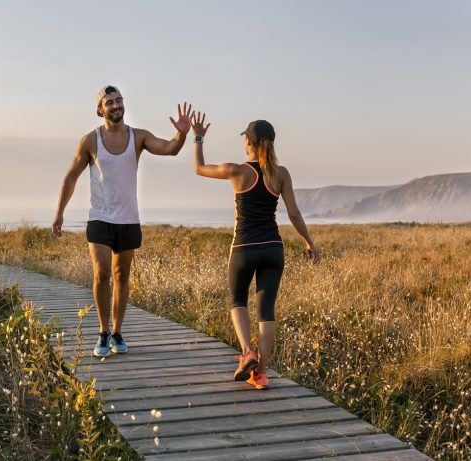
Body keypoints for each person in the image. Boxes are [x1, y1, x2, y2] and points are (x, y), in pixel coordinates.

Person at [52, 85, 193, 357]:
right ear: (100, 109)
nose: (116, 105)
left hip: (128, 218)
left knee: (121, 275)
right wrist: (59, 213)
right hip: (100, 217)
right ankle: (103, 333)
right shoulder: (89, 141)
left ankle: (117, 331)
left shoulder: (138, 137)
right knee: (102, 274)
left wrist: (181, 134)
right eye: (110, 102)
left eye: (119, 101)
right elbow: (71, 177)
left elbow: (170, 149)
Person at [190, 113, 320, 389]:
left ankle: (247, 353)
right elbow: (294, 213)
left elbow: (199, 168)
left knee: (237, 301)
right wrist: (309, 241)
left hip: (244, 248)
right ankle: (260, 373)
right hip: (273, 248)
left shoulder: (237, 171)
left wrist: (199, 137)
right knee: (266, 312)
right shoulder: (281, 174)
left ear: (249, 142)